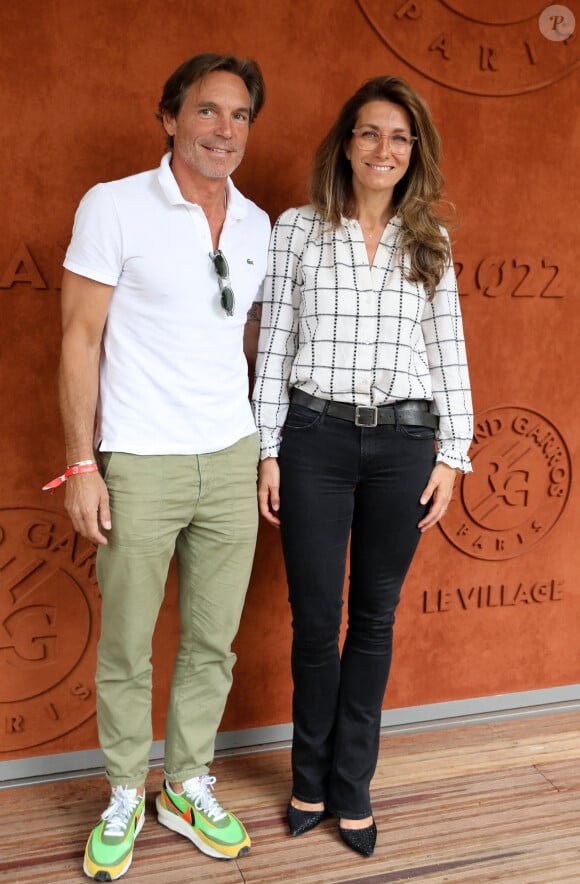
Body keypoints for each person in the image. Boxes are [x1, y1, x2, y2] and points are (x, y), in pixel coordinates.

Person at [47, 53, 270, 881]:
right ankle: (122, 792)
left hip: (232, 454)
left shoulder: (259, 225)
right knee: (129, 647)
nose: (225, 130)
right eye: (207, 112)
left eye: (241, 115)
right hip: (138, 461)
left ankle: (184, 785)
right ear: (170, 119)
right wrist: (81, 464)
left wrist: (264, 447)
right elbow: (78, 338)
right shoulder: (113, 206)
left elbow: (246, 343)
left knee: (213, 643)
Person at [252, 75, 473, 858]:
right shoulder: (296, 231)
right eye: (372, 133)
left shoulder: (430, 241)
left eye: (401, 138)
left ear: (416, 154)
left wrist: (454, 454)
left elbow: (448, 351)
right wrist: (268, 448)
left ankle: (353, 783)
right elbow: (274, 345)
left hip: (403, 447)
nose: (386, 149)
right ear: (346, 143)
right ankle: (307, 778)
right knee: (316, 623)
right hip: (313, 439)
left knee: (374, 619)